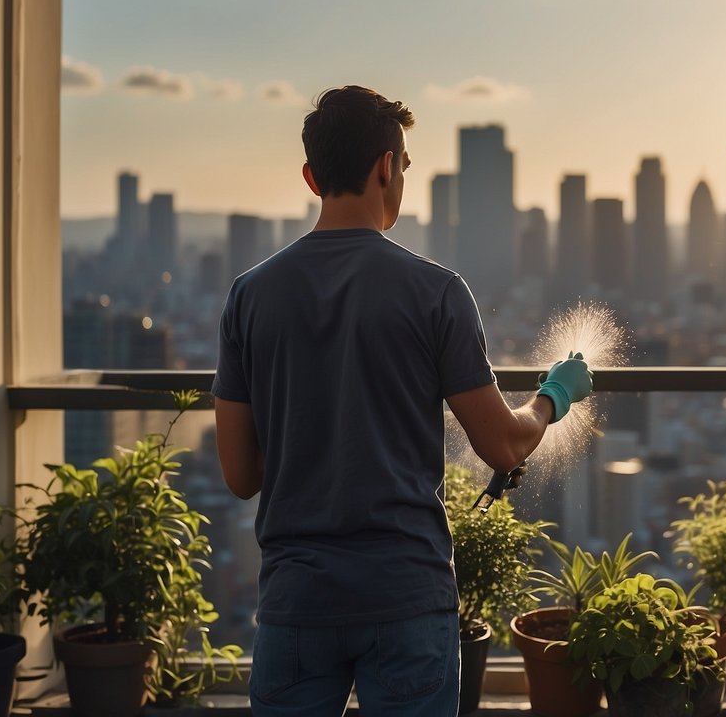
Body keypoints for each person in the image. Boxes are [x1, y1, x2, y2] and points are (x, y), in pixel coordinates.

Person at [212, 85, 593, 716]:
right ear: (387, 166)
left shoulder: (249, 297)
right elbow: (501, 443)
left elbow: (239, 475)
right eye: (405, 169)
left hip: (297, 601)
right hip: (406, 598)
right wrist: (553, 396)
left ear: (312, 177)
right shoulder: (436, 292)